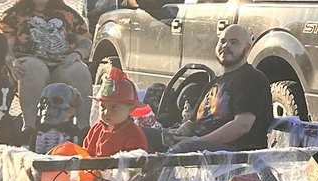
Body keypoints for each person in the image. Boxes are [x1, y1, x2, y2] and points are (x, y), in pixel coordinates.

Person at [0, 0, 94, 133]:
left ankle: (84, 129)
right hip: (29, 63)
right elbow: (6, 48)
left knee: (80, 69)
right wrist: (11, 62)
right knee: (31, 67)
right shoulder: (14, 15)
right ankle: (30, 128)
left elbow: (85, 42)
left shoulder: (69, 14)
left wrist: (77, 54)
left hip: (62, 64)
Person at [164, 24, 273, 154]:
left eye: (234, 42)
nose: (226, 46)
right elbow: (192, 122)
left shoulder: (252, 79)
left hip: (233, 153)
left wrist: (196, 142)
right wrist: (181, 131)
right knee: (143, 135)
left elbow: (243, 125)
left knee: (178, 151)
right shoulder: (214, 83)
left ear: (247, 48)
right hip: (197, 143)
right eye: (222, 41)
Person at [82, 68, 148, 158]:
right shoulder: (96, 129)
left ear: (131, 109)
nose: (106, 112)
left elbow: (135, 167)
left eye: (114, 107)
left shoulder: (133, 134)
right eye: (103, 106)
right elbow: (85, 154)